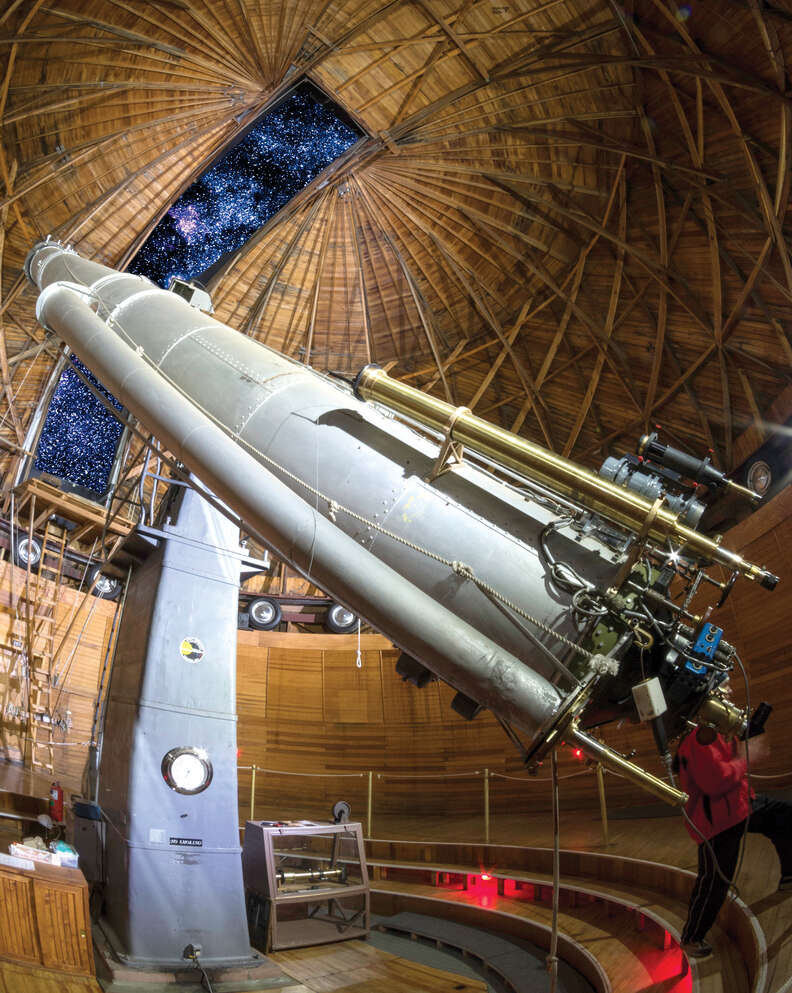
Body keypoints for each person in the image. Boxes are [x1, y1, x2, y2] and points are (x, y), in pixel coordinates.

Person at [677, 724, 792, 959]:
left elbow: (727, 761)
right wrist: (747, 756)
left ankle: (789, 875)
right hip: (717, 820)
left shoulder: (715, 729)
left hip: (741, 804)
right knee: (715, 880)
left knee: (784, 818)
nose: (727, 690)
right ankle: (692, 936)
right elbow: (715, 782)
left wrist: (742, 746)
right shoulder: (699, 737)